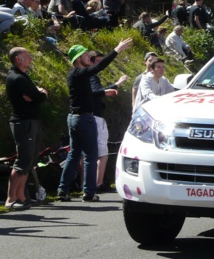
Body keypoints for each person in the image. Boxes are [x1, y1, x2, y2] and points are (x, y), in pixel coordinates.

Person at [57, 38, 133, 202]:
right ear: (78, 59)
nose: (88, 58)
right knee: (91, 156)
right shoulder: (79, 73)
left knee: (74, 155)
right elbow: (99, 66)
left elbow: (87, 94)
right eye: (85, 55)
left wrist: (104, 93)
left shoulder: (74, 75)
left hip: (73, 118)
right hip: (84, 118)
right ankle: (89, 192)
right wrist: (117, 49)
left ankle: (63, 190)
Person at [5, 48, 48, 210]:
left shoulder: (23, 76)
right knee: (22, 161)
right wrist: (41, 93)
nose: (30, 58)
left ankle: (21, 196)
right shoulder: (17, 78)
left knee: (29, 161)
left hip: (32, 122)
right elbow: (39, 97)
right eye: (27, 55)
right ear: (18, 59)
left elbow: (36, 97)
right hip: (23, 123)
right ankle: (11, 199)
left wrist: (38, 94)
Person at [88, 51, 128, 192]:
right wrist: (116, 84)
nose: (101, 65)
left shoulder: (83, 75)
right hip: (96, 117)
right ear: (91, 62)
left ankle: (86, 184)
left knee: (85, 153)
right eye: (98, 61)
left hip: (87, 116)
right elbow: (97, 92)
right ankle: (98, 183)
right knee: (102, 153)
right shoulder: (92, 76)